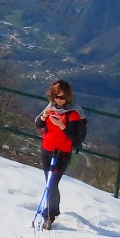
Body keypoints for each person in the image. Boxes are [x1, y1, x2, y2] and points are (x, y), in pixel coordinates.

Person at [34, 79, 86, 230]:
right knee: (49, 183)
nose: (59, 100)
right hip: (47, 150)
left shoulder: (74, 113)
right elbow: (38, 124)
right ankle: (52, 211)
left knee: (52, 184)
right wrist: (44, 116)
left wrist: (61, 125)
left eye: (62, 97)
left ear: (68, 97)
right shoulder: (51, 107)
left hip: (62, 153)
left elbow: (75, 137)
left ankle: (48, 216)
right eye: (56, 96)